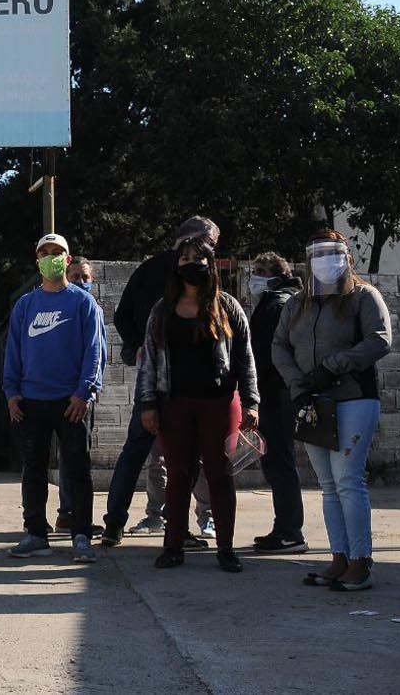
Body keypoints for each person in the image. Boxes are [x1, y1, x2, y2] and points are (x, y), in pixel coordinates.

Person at [273, 230, 391, 591]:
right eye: (317, 253)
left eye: (332, 252)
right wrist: (299, 384)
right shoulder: (297, 303)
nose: (325, 260)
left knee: (348, 480)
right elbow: (279, 346)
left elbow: (380, 339)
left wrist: (336, 364)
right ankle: (339, 557)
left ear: (347, 257)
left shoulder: (363, 296)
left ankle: (360, 561)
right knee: (327, 485)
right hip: (312, 401)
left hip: (353, 397)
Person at [137, 237, 259, 573]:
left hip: (220, 404)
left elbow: (245, 358)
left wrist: (251, 401)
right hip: (173, 403)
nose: (193, 264)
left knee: (221, 474)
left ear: (211, 263)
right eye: (185, 258)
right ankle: (173, 545)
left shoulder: (228, 306)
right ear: (176, 266)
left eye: (199, 258)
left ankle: (226, 548)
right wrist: (147, 403)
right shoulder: (161, 310)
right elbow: (149, 362)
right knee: (178, 474)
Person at [103, 216, 221, 547]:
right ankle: (178, 526)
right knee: (180, 457)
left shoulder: (153, 272)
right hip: (173, 382)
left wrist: (138, 346)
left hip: (164, 378)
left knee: (142, 452)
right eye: (209, 243)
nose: (208, 251)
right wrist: (142, 348)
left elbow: (122, 316)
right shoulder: (179, 281)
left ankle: (117, 523)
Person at [3, 234, 104, 562]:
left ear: (68, 257)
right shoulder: (25, 305)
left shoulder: (83, 303)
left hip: (71, 402)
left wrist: (85, 392)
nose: (51, 257)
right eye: (44, 253)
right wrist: (11, 393)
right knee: (32, 469)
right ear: (37, 261)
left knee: (77, 470)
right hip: (31, 401)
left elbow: (94, 352)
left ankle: (82, 536)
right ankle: (35, 534)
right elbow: (13, 352)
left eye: (57, 252)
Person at [247, 252, 308, 554]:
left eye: (260, 271)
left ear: (277, 275)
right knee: (276, 461)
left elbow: (267, 351)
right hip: (276, 391)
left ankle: (289, 531)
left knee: (280, 462)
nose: (254, 276)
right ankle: (284, 527)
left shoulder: (278, 304)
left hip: (275, 392)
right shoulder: (281, 301)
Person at [56, 257, 108, 537]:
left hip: (86, 392)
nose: (80, 281)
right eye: (74, 276)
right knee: (72, 456)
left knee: (77, 454)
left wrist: (93, 388)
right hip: (71, 392)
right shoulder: (66, 307)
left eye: (85, 277)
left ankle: (71, 512)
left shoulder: (93, 308)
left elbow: (99, 352)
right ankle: (68, 513)